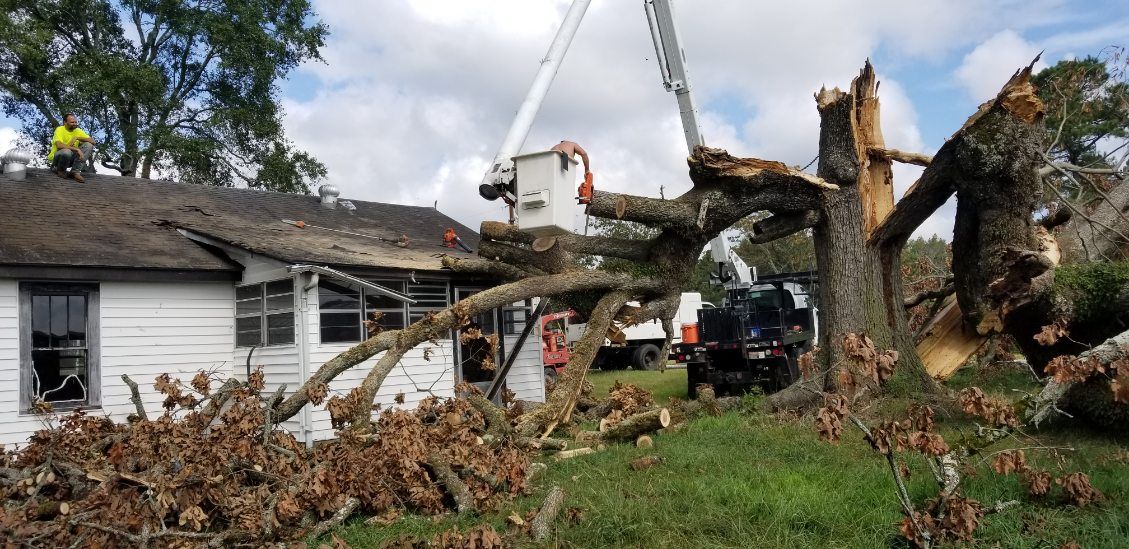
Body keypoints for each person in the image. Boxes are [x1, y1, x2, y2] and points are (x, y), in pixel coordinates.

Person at [48, 113, 96, 183]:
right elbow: (59, 145)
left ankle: (75, 172)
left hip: (70, 159)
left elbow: (93, 141)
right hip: (58, 159)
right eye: (72, 122)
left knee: (89, 145)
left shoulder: (78, 131)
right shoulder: (59, 129)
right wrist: (77, 149)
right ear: (65, 122)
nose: (75, 124)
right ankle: (60, 170)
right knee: (66, 151)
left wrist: (77, 138)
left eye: (75, 122)